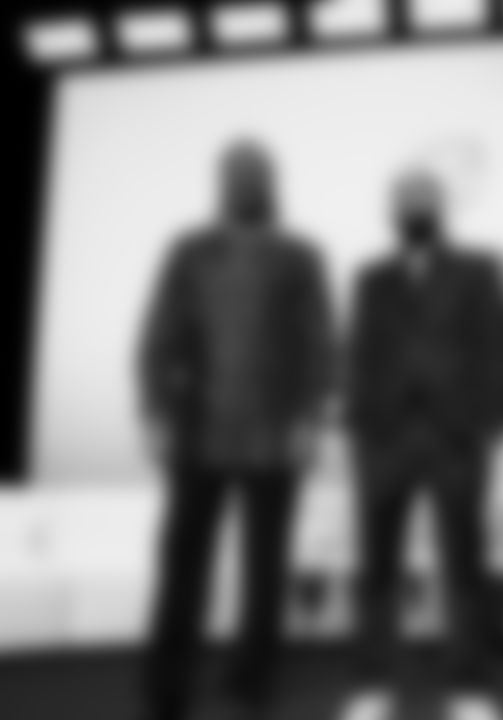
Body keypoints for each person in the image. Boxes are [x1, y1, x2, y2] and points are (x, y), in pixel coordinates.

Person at [136, 138, 334, 720]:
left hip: (276, 433)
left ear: (272, 183)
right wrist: (154, 412)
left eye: (256, 173)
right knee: (182, 563)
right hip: (198, 431)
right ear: (220, 183)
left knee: (265, 566)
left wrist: (310, 419)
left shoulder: (301, 254)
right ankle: (168, 683)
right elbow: (158, 335)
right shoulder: (188, 251)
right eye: (236, 172)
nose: (246, 182)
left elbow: (321, 342)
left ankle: (253, 680)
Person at [339, 169, 503, 720]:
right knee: (376, 569)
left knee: (465, 567)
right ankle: (371, 686)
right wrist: (359, 428)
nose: (415, 207)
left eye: (425, 198)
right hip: (383, 441)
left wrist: (485, 425)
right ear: (393, 211)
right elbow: (356, 353)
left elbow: (495, 347)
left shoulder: (479, 270)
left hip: (456, 439)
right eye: (405, 199)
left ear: (442, 207)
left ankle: (470, 690)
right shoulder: (370, 277)